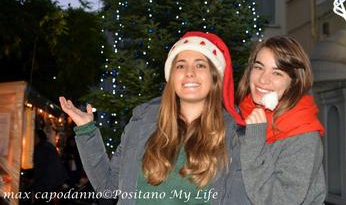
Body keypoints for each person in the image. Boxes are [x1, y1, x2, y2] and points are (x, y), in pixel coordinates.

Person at [59, 31, 249, 205]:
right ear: (171, 76)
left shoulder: (234, 136)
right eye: (180, 65)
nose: (189, 72)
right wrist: (86, 130)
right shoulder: (141, 124)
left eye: (200, 65)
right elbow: (108, 188)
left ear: (215, 77)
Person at [236, 36, 326, 205]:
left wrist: (255, 141)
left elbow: (279, 200)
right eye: (258, 67)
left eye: (277, 73)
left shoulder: (302, 134)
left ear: (293, 82)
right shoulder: (240, 116)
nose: (263, 79)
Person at [32, 130, 68, 202]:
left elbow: (39, 166)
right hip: (55, 180)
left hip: (47, 181)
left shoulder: (40, 148)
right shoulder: (49, 145)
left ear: (38, 137)